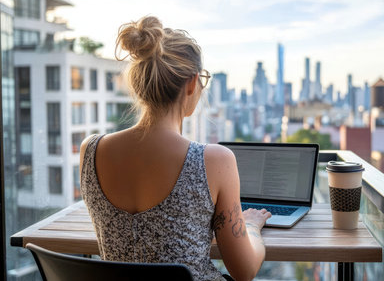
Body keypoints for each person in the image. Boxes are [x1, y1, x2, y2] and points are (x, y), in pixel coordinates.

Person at [79, 16, 271, 281]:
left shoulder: (90, 151)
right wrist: (250, 225)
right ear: (193, 83)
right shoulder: (214, 160)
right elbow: (244, 270)